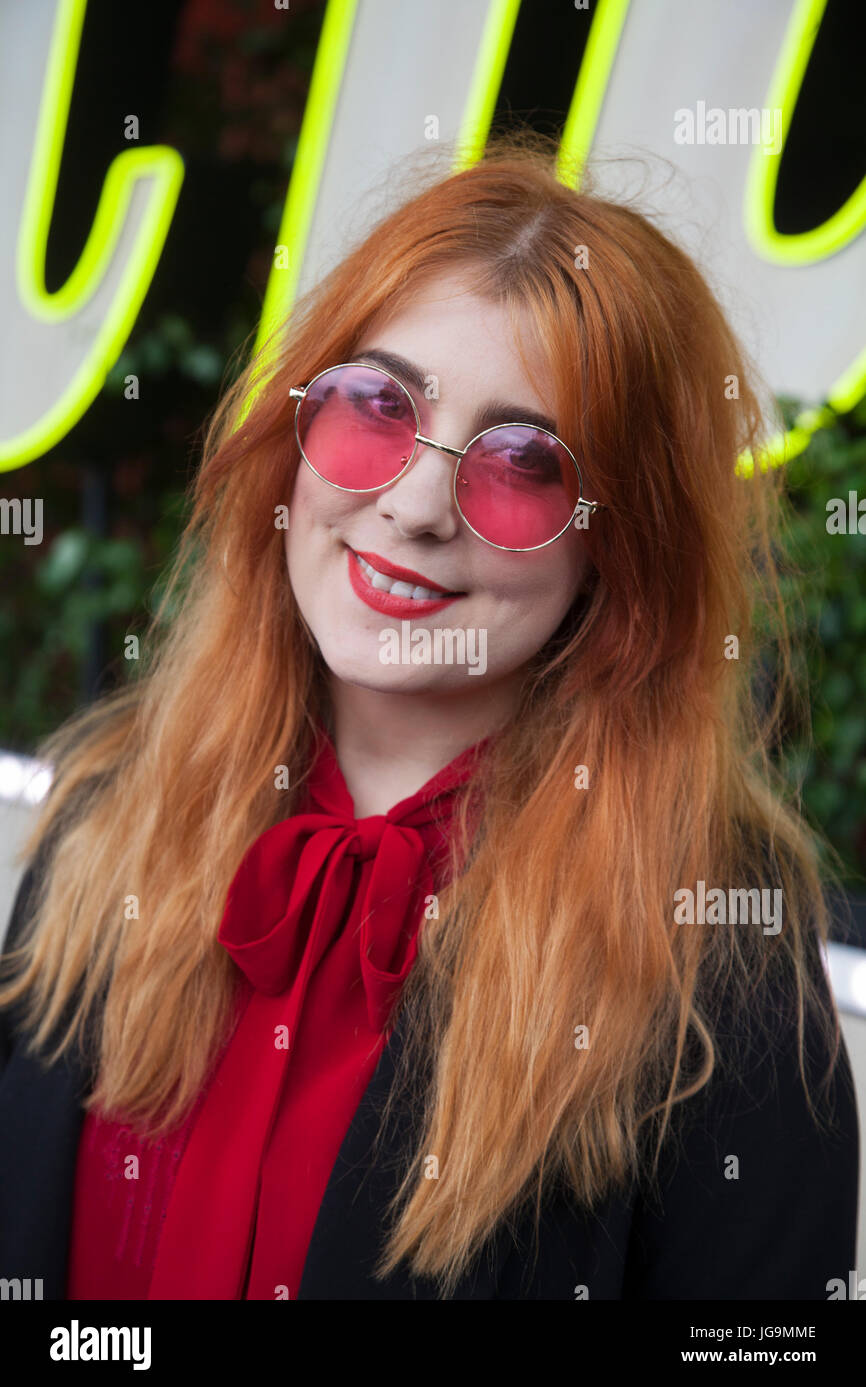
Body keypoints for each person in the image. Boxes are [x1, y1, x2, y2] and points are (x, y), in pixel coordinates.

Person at [0, 134, 858, 1301]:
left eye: (520, 463)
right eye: (376, 405)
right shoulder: (103, 822)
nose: (410, 505)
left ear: (620, 551)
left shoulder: (717, 964)